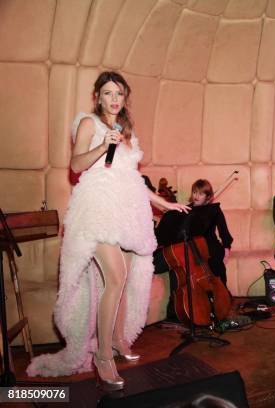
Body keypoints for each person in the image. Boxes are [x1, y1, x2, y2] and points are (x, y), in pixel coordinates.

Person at [26, 71, 189, 391]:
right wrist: (102, 145)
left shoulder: (126, 130)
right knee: (115, 276)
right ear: (97, 96)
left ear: (125, 98)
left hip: (124, 210)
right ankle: (102, 356)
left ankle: (116, 339)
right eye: (107, 93)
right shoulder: (89, 123)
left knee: (124, 277)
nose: (114, 99)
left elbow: (130, 178)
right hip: (96, 208)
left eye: (119, 94)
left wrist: (162, 203)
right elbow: (75, 165)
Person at [187, 179, 233, 287]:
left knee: (217, 266)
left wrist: (226, 249)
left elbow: (223, 230)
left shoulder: (214, 209)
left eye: (201, 193)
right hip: (192, 248)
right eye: (194, 192)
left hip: (212, 247)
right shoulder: (187, 210)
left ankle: (222, 295)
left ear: (207, 196)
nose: (196, 196)